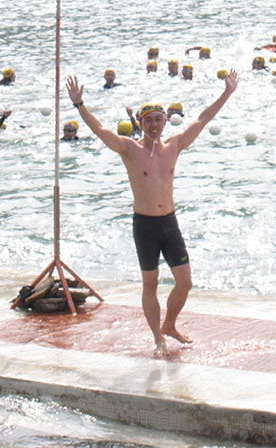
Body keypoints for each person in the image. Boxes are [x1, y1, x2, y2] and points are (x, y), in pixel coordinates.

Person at [65, 69, 239, 357]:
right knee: (151, 284)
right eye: (149, 121)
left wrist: (227, 93)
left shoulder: (175, 145)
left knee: (185, 283)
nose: (155, 125)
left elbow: (203, 119)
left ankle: (170, 325)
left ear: (165, 121)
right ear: (141, 123)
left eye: (159, 119)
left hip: (169, 224)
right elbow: (99, 131)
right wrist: (79, 105)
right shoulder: (129, 149)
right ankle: (157, 337)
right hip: (145, 225)